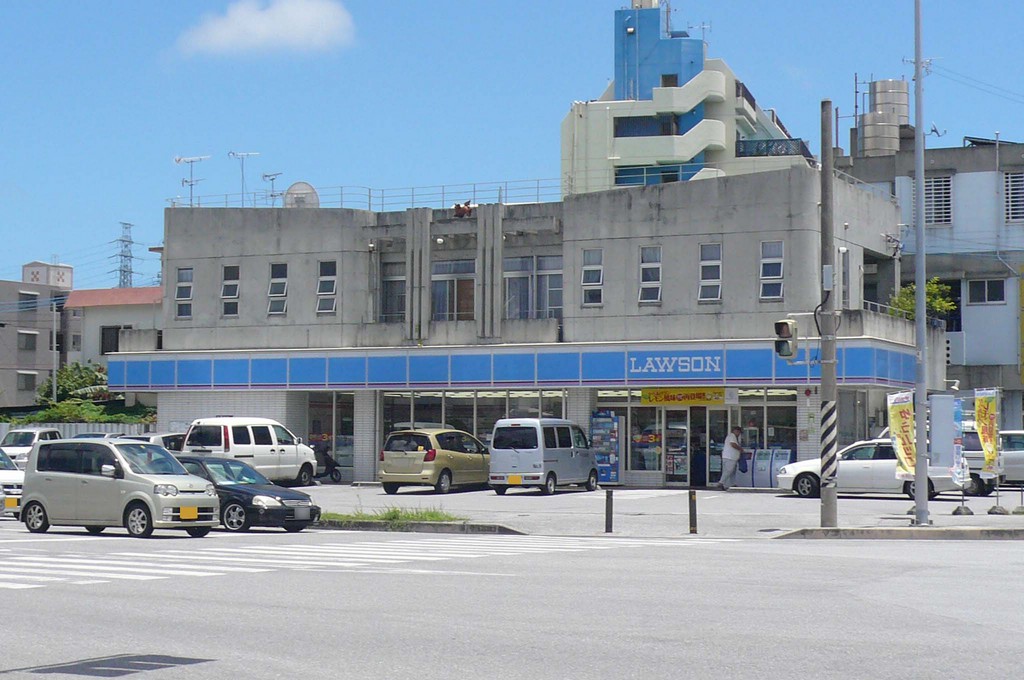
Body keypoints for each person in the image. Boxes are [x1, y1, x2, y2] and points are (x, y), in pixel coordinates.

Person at [719, 426, 748, 490]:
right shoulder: (732, 436)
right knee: (728, 471)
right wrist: (740, 449)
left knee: (732, 472)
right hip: (730, 457)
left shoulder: (732, 437)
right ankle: (721, 482)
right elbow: (733, 444)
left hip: (731, 457)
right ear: (736, 431)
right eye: (738, 432)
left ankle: (732, 484)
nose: (739, 434)